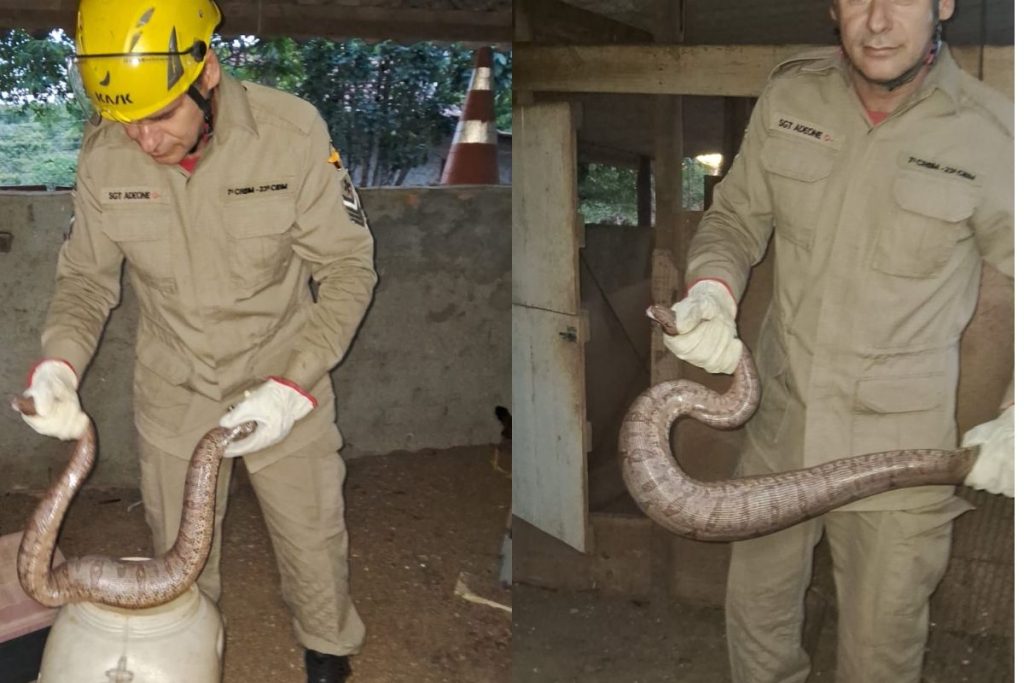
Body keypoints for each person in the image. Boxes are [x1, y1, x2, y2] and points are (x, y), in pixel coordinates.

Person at [15, 1, 376, 681]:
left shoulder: (290, 134)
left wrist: (294, 386)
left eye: (160, 117)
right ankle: (192, 652)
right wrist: (59, 364)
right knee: (180, 559)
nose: (144, 140)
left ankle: (326, 650)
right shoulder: (103, 160)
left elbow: (350, 267)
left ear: (206, 73)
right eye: (128, 123)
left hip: (282, 378)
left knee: (311, 536)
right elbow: (87, 283)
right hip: (174, 386)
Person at [661, 0, 1012, 681]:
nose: (878, 21)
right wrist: (711, 289)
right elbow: (735, 217)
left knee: (878, 657)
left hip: (901, 455)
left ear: (945, 4)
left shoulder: (994, 135)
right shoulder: (791, 96)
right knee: (757, 637)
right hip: (780, 428)